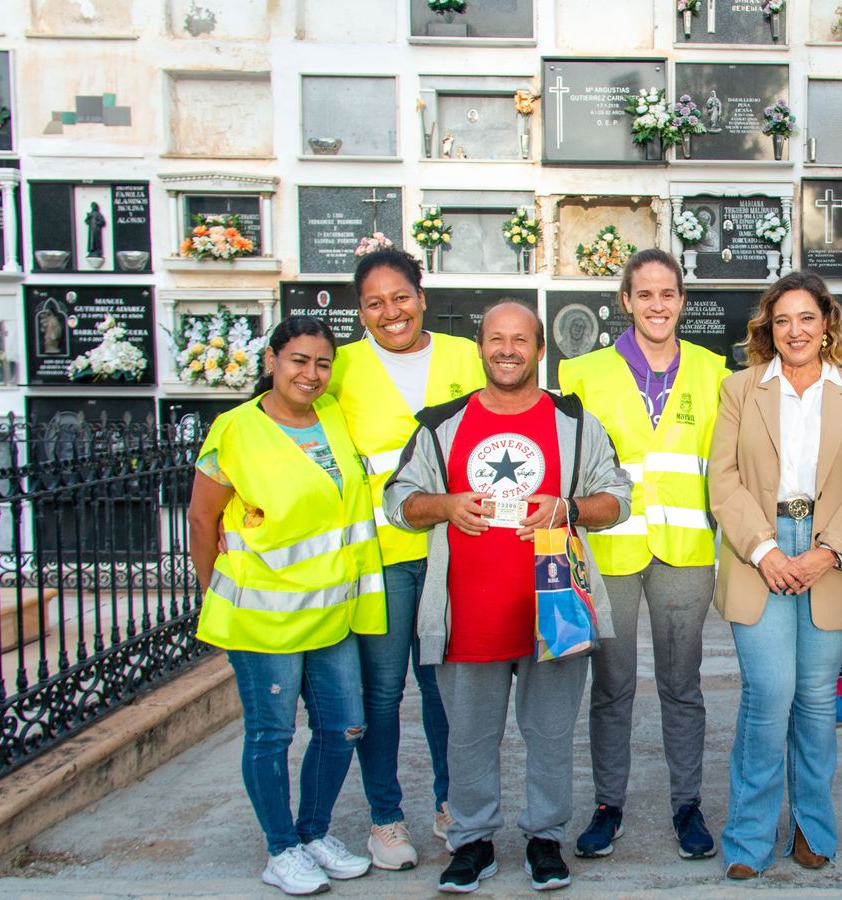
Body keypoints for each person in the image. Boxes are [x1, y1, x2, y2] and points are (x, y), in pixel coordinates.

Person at [383, 301, 632, 894]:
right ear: (480, 347)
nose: (507, 350)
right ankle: (472, 842)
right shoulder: (441, 425)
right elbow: (400, 501)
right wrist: (444, 505)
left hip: (557, 612)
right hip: (467, 613)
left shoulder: (574, 423)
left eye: (520, 339)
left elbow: (617, 498)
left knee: (550, 734)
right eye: (496, 338)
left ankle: (545, 837)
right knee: (468, 737)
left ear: (540, 349)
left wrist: (567, 509)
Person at [186, 316, 386, 896]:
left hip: (332, 612)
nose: (311, 373)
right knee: (271, 735)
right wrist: (212, 589)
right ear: (272, 360)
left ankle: (313, 832)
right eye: (298, 360)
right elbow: (202, 518)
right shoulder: (234, 430)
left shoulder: (333, 420)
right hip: (262, 617)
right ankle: (281, 849)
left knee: (343, 726)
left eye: (323, 363)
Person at [708, 270, 842, 880]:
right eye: (782, 320)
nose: (795, 330)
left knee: (815, 701)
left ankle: (812, 829)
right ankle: (748, 840)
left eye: (806, 318)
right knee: (769, 694)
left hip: (830, 554)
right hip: (759, 548)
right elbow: (724, 481)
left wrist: (826, 552)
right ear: (768, 327)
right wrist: (766, 552)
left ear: (826, 324)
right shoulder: (740, 390)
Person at [557, 249, 729, 861]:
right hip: (609, 551)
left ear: (682, 301)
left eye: (669, 294)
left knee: (683, 685)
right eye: (645, 295)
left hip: (685, 552)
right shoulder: (582, 373)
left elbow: (727, 465)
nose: (658, 306)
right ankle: (609, 805)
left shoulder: (713, 371)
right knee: (612, 686)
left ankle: (688, 806)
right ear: (626, 302)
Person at [327, 248, 485, 871]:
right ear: (359, 312)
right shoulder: (339, 368)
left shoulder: (461, 356)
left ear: (422, 296)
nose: (389, 312)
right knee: (384, 691)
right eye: (374, 303)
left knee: (443, 686)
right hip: (383, 555)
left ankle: (451, 806)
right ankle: (385, 818)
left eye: (400, 297)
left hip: (455, 549)